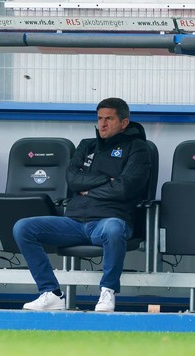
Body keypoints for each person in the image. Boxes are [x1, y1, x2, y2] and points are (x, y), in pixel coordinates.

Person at [14, 97, 151, 313]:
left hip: (108, 221)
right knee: (23, 227)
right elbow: (72, 180)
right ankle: (51, 293)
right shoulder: (86, 145)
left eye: (109, 119)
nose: (102, 124)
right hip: (74, 222)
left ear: (124, 123)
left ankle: (108, 291)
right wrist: (109, 180)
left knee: (114, 228)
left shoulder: (138, 148)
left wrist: (89, 187)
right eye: (99, 118)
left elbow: (125, 188)